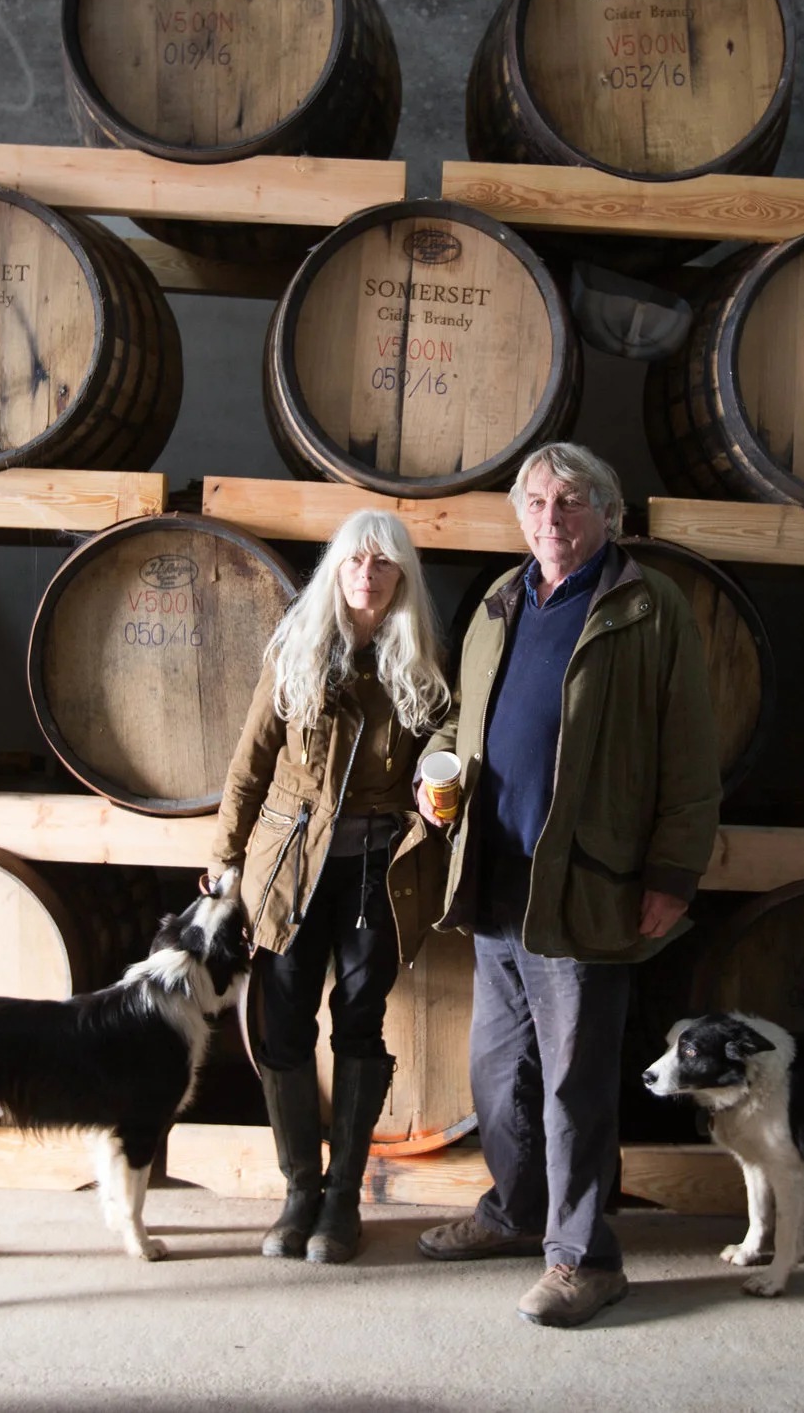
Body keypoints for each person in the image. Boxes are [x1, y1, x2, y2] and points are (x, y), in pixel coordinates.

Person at [412, 441, 720, 1327]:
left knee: (575, 1084)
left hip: (587, 885)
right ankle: (515, 1213)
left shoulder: (647, 606)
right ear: (520, 515)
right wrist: (440, 792)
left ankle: (587, 1259)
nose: (552, 519)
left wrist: (671, 874)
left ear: (609, 513)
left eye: (572, 502)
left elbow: (689, 757)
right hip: (496, 879)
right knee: (498, 1069)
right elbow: (466, 725)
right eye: (538, 503)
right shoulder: (502, 602)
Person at [207, 508, 452, 1265]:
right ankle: (297, 1190)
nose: (367, 575)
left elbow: (448, 729)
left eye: (382, 564)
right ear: (336, 571)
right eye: (354, 562)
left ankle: (343, 1195)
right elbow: (250, 763)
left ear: (401, 575)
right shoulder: (297, 649)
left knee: (358, 1017)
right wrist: (224, 856)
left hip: (376, 866)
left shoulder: (417, 660)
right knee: (281, 1021)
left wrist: (436, 764)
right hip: (288, 863)